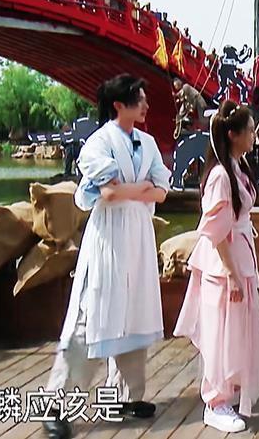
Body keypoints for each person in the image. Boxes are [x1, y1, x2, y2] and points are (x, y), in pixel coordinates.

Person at [41, 74, 171, 439]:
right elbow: (108, 195)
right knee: (92, 314)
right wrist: (140, 189)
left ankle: (126, 395)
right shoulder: (98, 143)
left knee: (133, 311)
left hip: (138, 236)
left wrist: (135, 190)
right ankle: (57, 404)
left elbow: (162, 191)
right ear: (119, 105)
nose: (146, 105)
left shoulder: (146, 143)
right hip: (109, 237)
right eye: (139, 100)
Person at [173, 102, 259, 433]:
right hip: (224, 262)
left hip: (240, 253)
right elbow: (215, 232)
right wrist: (230, 272)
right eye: (251, 130)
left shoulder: (236, 166)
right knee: (220, 330)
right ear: (233, 134)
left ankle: (229, 390)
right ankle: (215, 401)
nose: (255, 136)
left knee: (235, 328)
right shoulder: (220, 175)